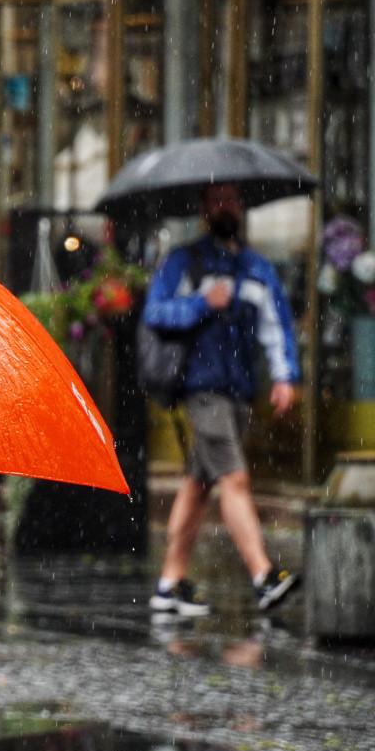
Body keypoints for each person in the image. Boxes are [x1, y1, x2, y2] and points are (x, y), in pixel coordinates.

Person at [143, 182, 301, 617]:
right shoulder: (184, 261)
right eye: (216, 201)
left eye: (231, 199)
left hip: (240, 393)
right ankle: (263, 576)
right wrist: (201, 303)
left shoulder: (256, 268)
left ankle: (169, 584)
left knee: (197, 485)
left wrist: (285, 375)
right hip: (202, 388)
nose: (224, 207)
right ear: (203, 209)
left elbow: (276, 325)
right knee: (235, 479)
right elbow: (155, 312)